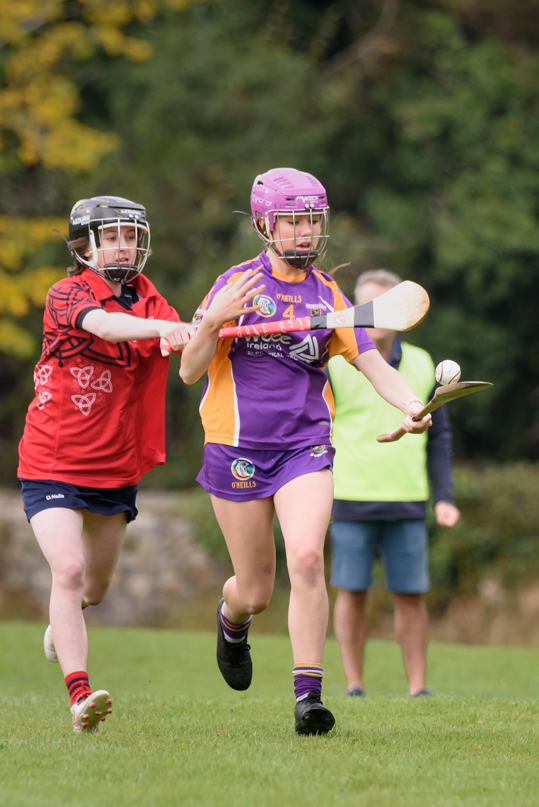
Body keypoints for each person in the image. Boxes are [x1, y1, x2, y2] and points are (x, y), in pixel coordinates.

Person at [179, 168, 432, 735]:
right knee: (256, 590)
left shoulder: (329, 297)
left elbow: (370, 363)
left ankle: (308, 697)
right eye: (292, 221)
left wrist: (411, 403)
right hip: (236, 446)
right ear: (267, 224)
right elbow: (190, 370)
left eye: (311, 221)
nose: (303, 232)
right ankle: (232, 619)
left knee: (309, 558)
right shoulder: (236, 283)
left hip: (305, 446)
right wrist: (214, 321)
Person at [18, 196, 193, 733]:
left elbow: (186, 343)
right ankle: (80, 697)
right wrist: (168, 330)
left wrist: (203, 327)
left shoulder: (148, 297)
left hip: (115, 468)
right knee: (67, 571)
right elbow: (109, 328)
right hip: (51, 458)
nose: (125, 245)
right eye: (113, 236)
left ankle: (62, 618)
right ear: (85, 245)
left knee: (93, 590)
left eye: (131, 235)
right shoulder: (67, 292)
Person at [328, 269, 461, 698]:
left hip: (406, 498)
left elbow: (439, 437)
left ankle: (418, 689)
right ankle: (353, 685)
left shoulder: (424, 363)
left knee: (410, 595)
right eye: (369, 306)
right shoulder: (334, 361)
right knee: (351, 593)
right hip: (348, 496)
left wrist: (444, 497)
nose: (379, 315)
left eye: (389, 306)